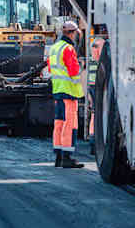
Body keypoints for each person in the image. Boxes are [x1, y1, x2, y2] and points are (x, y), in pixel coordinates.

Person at [48, 20, 85, 168]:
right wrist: (81, 66)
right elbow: (74, 71)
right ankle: (67, 157)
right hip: (68, 92)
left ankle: (58, 156)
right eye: (76, 33)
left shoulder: (54, 48)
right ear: (72, 33)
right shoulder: (68, 49)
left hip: (57, 91)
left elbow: (51, 69)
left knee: (59, 123)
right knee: (69, 124)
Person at [87, 38, 105, 155]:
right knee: (99, 114)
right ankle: (95, 141)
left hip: (92, 87)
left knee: (94, 114)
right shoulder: (100, 59)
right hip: (98, 87)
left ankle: (93, 141)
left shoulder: (92, 60)